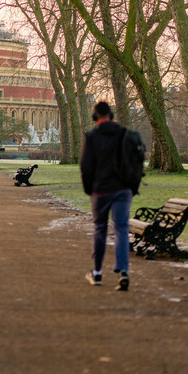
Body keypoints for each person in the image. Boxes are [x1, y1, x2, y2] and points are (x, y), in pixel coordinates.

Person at [80, 100, 132, 291]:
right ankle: (123, 271)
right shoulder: (124, 134)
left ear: (95, 118)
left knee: (100, 229)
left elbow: (85, 166)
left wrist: (88, 188)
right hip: (122, 189)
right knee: (121, 229)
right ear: (111, 116)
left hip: (100, 189)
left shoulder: (92, 135)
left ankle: (98, 272)